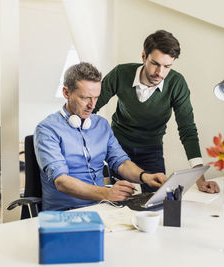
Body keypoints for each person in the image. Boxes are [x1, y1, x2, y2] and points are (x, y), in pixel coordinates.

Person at [93, 30, 220, 194]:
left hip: (151, 149)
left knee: (157, 198)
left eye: (167, 66)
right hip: (119, 147)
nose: (160, 73)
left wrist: (200, 179)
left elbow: (187, 130)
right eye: (155, 64)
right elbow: (91, 106)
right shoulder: (120, 74)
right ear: (144, 57)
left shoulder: (177, 84)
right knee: (118, 198)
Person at [34, 62, 167, 211]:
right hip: (65, 212)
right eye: (85, 98)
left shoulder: (101, 125)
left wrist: (145, 177)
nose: (92, 105)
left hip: (102, 208)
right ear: (66, 93)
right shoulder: (47, 129)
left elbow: (121, 162)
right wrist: (107, 193)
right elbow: (62, 181)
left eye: (96, 97)